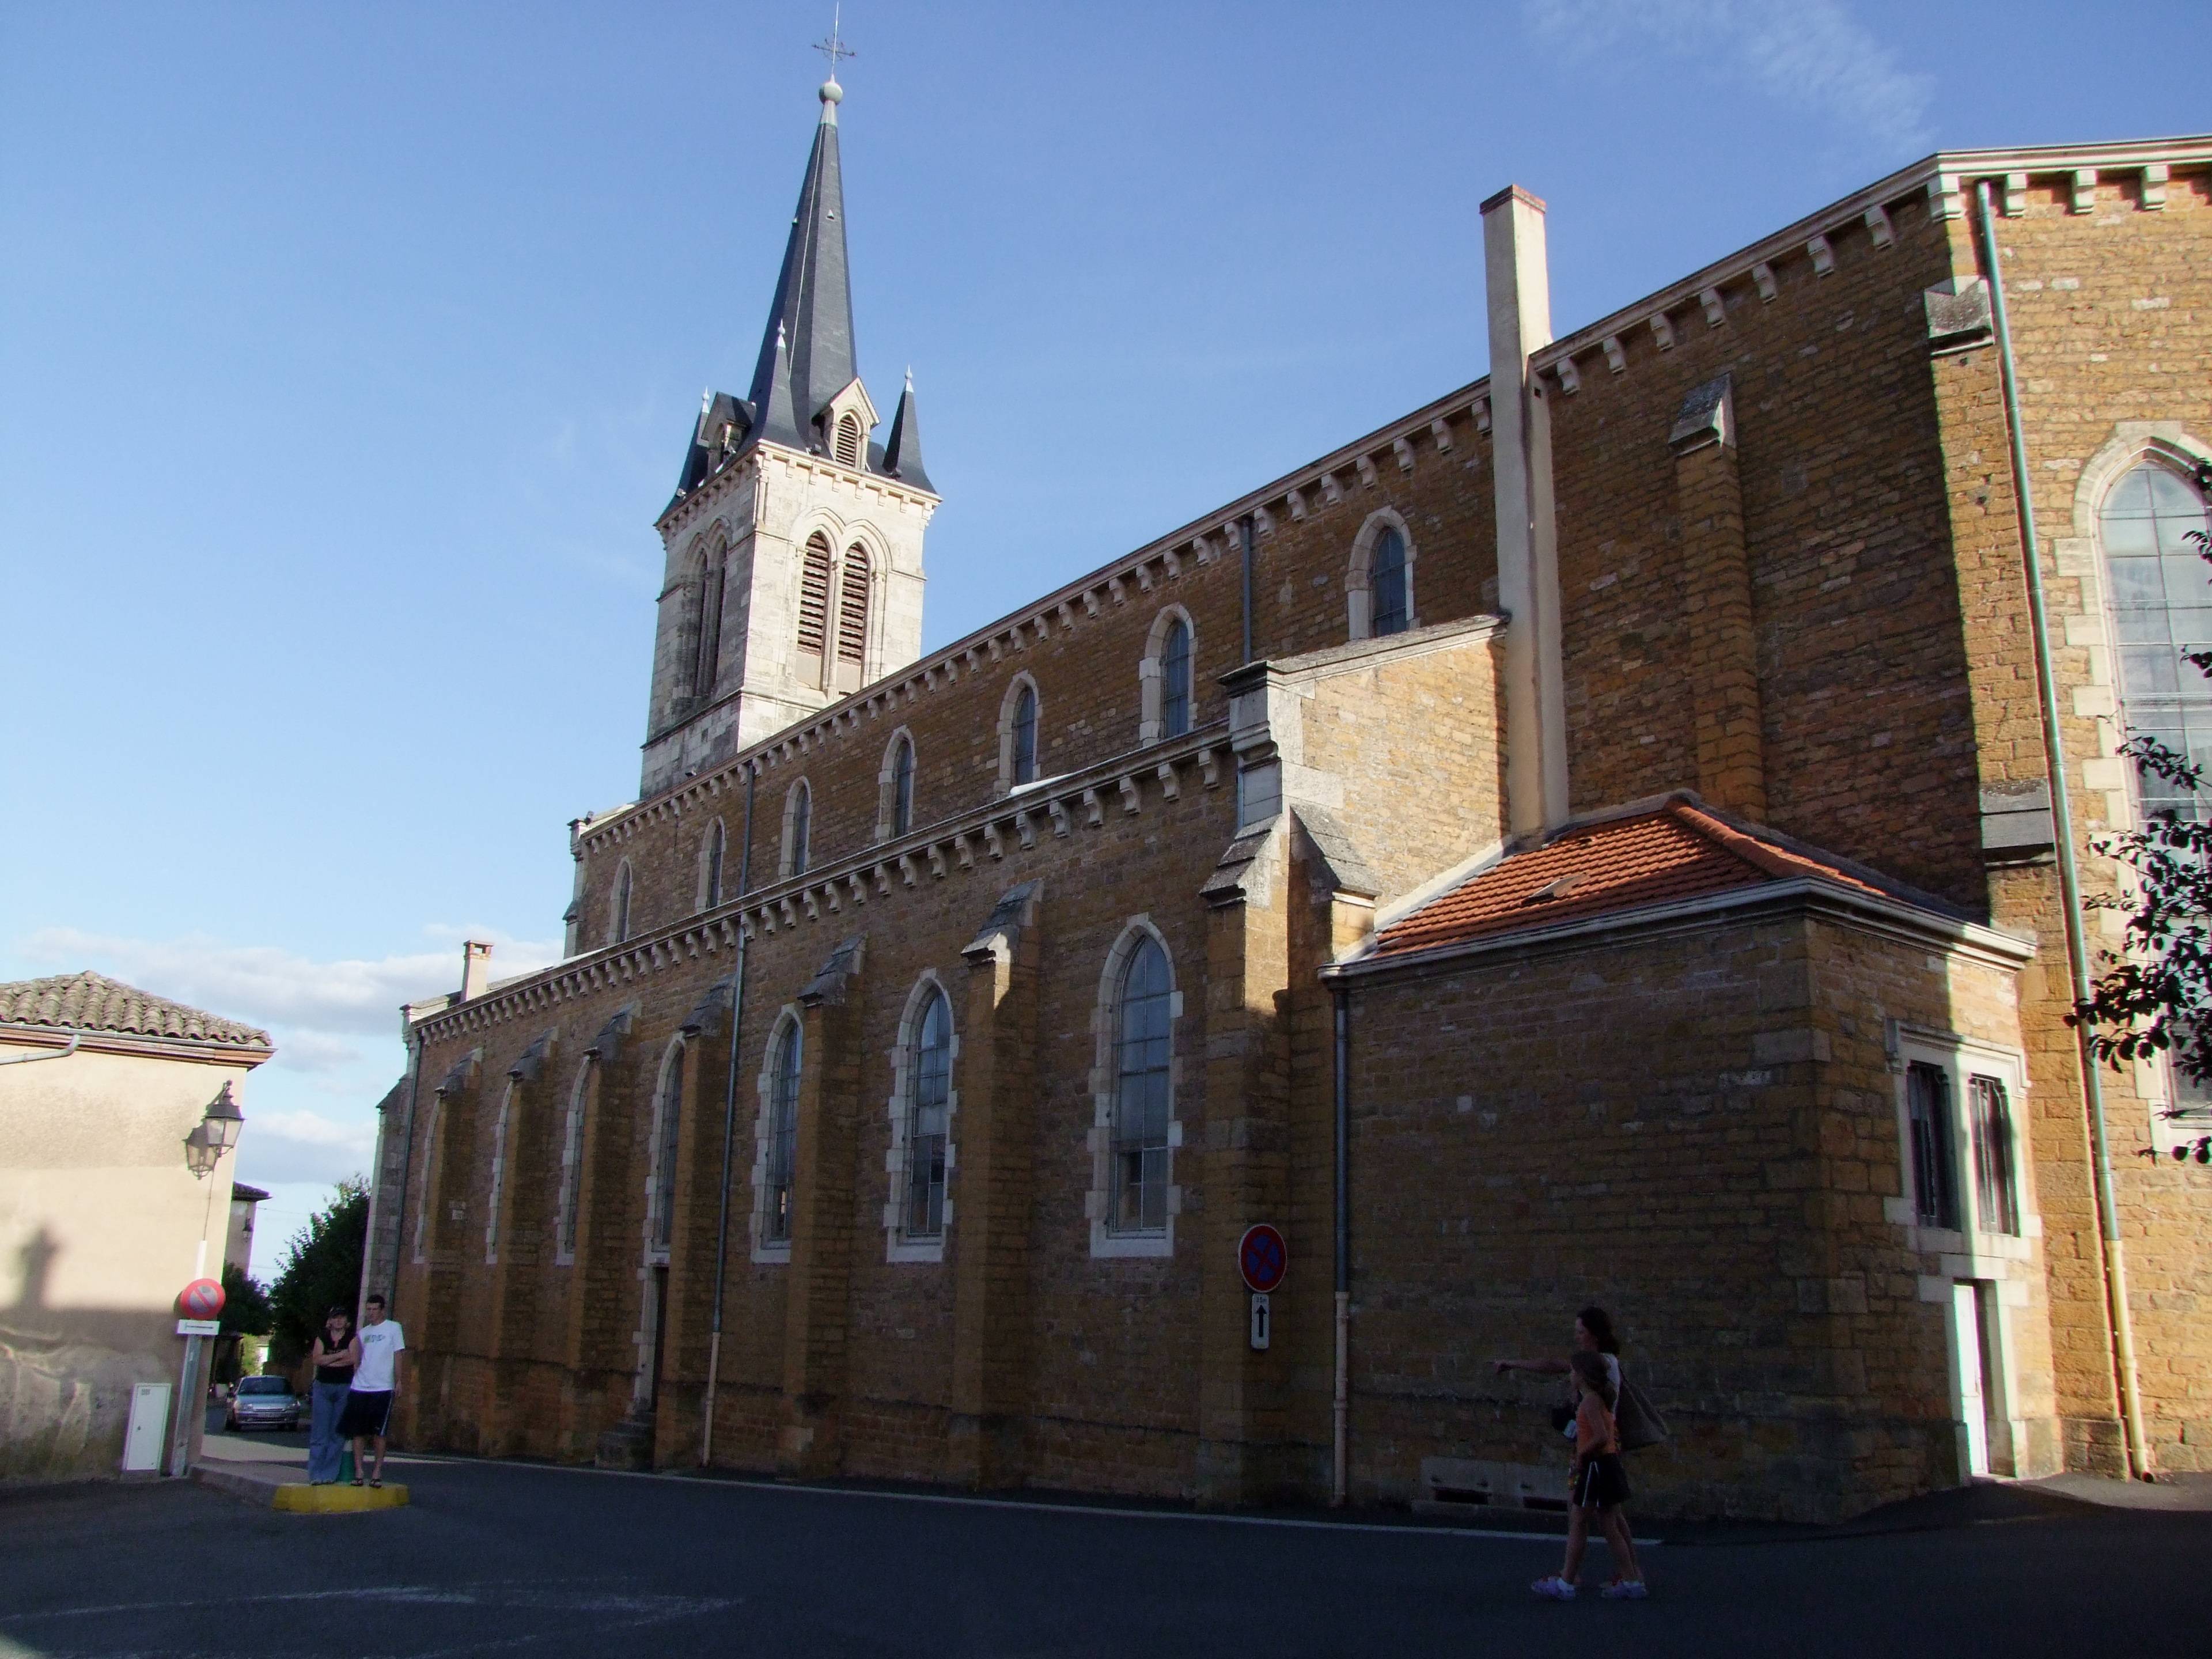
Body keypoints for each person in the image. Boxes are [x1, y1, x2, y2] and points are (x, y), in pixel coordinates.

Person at [1530, 1351, 1647, 1601]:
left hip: (1596, 1466)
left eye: (1573, 1372)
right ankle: (1630, 1579)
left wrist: (1581, 1454)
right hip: (1605, 1465)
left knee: (1582, 1519)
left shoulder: (1590, 1402)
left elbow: (1601, 1436)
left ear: (1582, 1375)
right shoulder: (1593, 1399)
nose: (1570, 1376)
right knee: (1608, 1524)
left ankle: (1567, 1583)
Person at [338, 1293, 404, 1488]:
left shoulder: (394, 1328)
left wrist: (399, 1381)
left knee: (379, 1433)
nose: (372, 1313)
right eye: (369, 1310)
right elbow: (357, 1359)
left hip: (382, 1387)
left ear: (382, 1310)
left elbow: (398, 1355)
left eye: (375, 1310)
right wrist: (355, 1373)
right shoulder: (363, 1333)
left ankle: (377, 1472)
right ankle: (359, 1472)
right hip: (361, 1386)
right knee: (358, 1432)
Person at [306, 1308, 359, 1484]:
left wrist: (330, 1361)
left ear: (346, 1321)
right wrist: (339, 1356)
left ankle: (329, 1474)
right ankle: (315, 1475)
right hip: (323, 1387)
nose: (338, 1321)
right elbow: (317, 1359)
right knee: (319, 1433)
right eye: (335, 1318)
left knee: (337, 1433)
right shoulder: (322, 1337)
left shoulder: (351, 1338)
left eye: (342, 1318)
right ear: (330, 1321)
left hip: (343, 1387)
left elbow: (352, 1359)